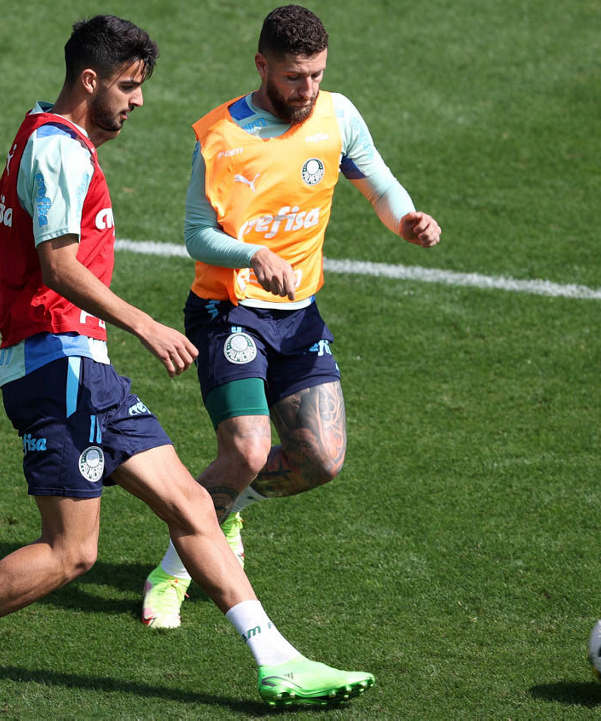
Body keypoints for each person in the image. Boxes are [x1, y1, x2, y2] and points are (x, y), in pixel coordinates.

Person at [0, 14, 374, 708]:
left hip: (81, 367)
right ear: (90, 80)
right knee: (70, 552)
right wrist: (144, 323)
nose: (137, 101)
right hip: (59, 366)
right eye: (128, 86)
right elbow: (57, 265)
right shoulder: (59, 150)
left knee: (194, 504)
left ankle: (277, 661)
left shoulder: (52, 134)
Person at [141, 5, 442, 629]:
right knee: (248, 450)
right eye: (293, 77)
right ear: (262, 66)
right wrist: (254, 253)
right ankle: (173, 570)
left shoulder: (337, 115)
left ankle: (224, 508)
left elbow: (380, 185)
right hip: (228, 312)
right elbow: (197, 235)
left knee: (320, 460)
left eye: (316, 75)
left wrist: (407, 220)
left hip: (297, 314)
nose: (307, 89)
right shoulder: (222, 136)